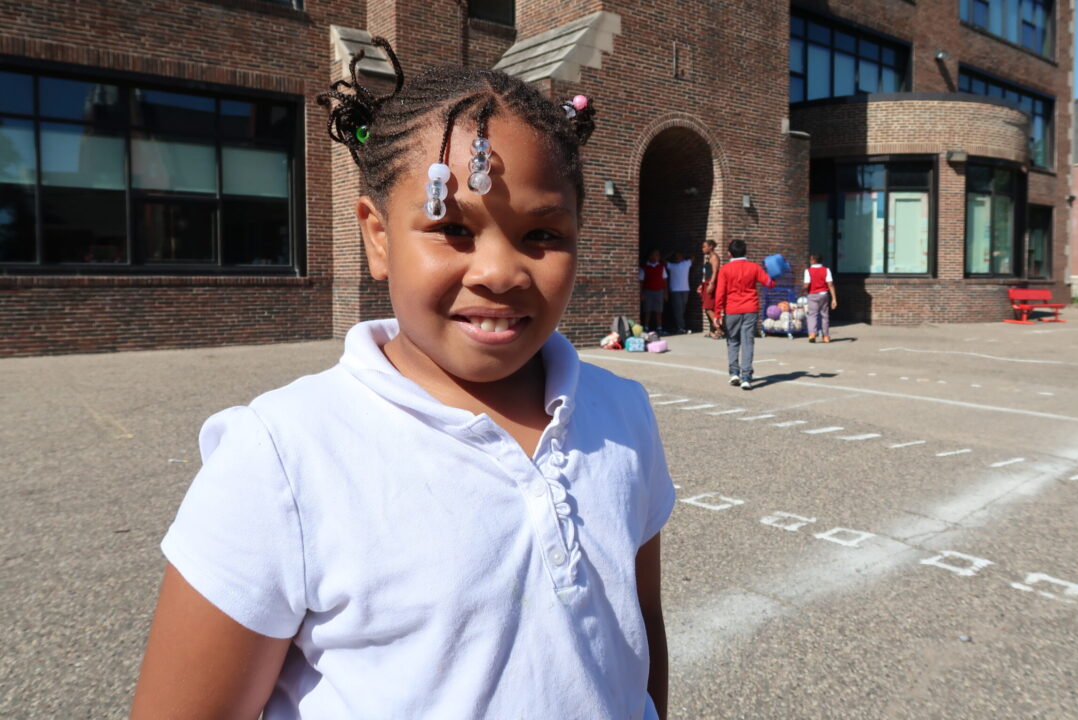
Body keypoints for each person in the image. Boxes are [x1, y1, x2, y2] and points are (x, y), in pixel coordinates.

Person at [131, 38, 673, 720]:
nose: (500, 272)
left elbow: (639, 625)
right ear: (378, 237)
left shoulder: (623, 413)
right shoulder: (283, 456)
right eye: (452, 228)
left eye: (542, 236)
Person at [715, 239, 775, 390]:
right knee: (747, 342)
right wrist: (774, 274)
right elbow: (769, 283)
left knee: (733, 341)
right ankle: (746, 377)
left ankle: (734, 373)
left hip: (732, 309)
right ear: (746, 252)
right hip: (750, 308)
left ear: (729, 253)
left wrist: (717, 313)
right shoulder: (754, 267)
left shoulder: (725, 269)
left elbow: (720, 292)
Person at [801, 253, 837, 343]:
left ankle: (812, 334)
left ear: (813, 260)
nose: (809, 261)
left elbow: (807, 285)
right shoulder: (826, 270)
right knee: (825, 316)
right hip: (824, 294)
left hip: (812, 295)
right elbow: (830, 284)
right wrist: (834, 299)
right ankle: (826, 336)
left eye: (810, 259)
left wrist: (801, 291)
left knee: (812, 315)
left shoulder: (808, 271)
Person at [697, 239, 722, 338]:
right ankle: (712, 331)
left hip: (710, 283)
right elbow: (706, 273)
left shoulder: (714, 257)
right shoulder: (708, 257)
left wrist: (711, 284)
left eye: (704, 246)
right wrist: (701, 284)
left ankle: (720, 330)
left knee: (708, 308)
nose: (702, 249)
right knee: (707, 308)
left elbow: (715, 272)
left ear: (710, 246)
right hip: (706, 283)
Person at [639, 248, 668, 332]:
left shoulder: (661, 267)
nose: (655, 257)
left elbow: (665, 280)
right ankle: (646, 327)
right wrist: (641, 293)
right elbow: (641, 281)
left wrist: (666, 293)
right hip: (648, 291)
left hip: (659, 291)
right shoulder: (644, 267)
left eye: (657, 255)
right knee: (647, 310)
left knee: (659, 310)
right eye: (654, 255)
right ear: (650, 256)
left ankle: (659, 327)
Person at [665, 250, 692, 334]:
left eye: (679, 256)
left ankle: (677, 325)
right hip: (675, 290)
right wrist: (669, 254)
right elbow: (663, 260)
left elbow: (693, 257)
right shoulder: (671, 265)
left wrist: (685, 255)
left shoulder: (686, 263)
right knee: (678, 309)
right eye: (676, 257)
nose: (677, 258)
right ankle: (681, 327)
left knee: (683, 308)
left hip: (685, 289)